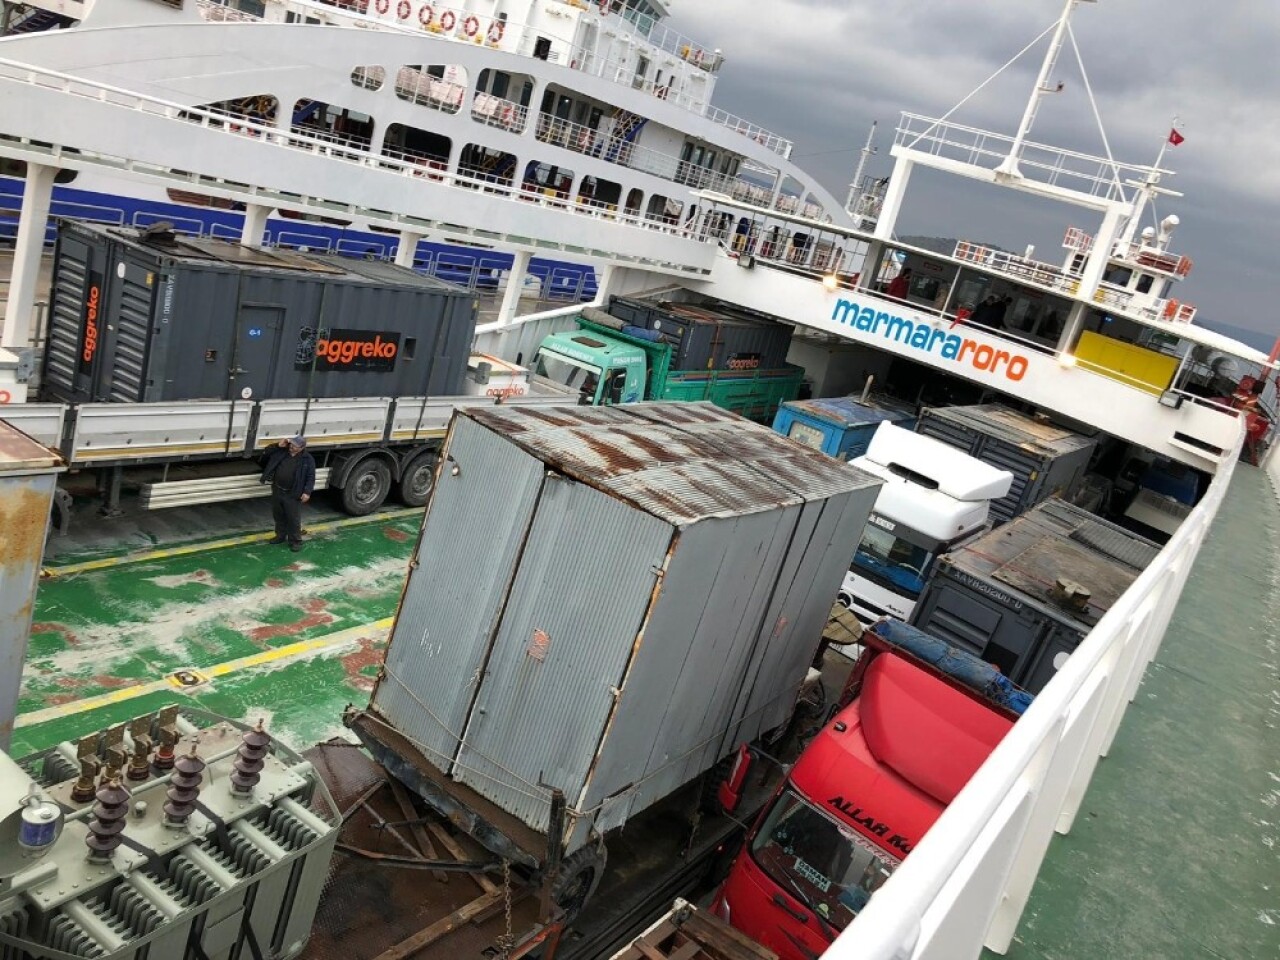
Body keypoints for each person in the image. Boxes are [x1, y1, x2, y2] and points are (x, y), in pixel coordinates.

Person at [261, 435, 316, 552]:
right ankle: (280, 536)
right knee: (278, 515)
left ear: (301, 448)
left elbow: (311, 477)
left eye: (295, 446)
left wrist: (307, 492)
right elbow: (265, 454)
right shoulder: (281, 452)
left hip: (293, 493)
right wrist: (277, 445)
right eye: (291, 444)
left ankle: (295, 541)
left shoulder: (307, 459)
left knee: (293, 518)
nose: (291, 447)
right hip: (277, 489)